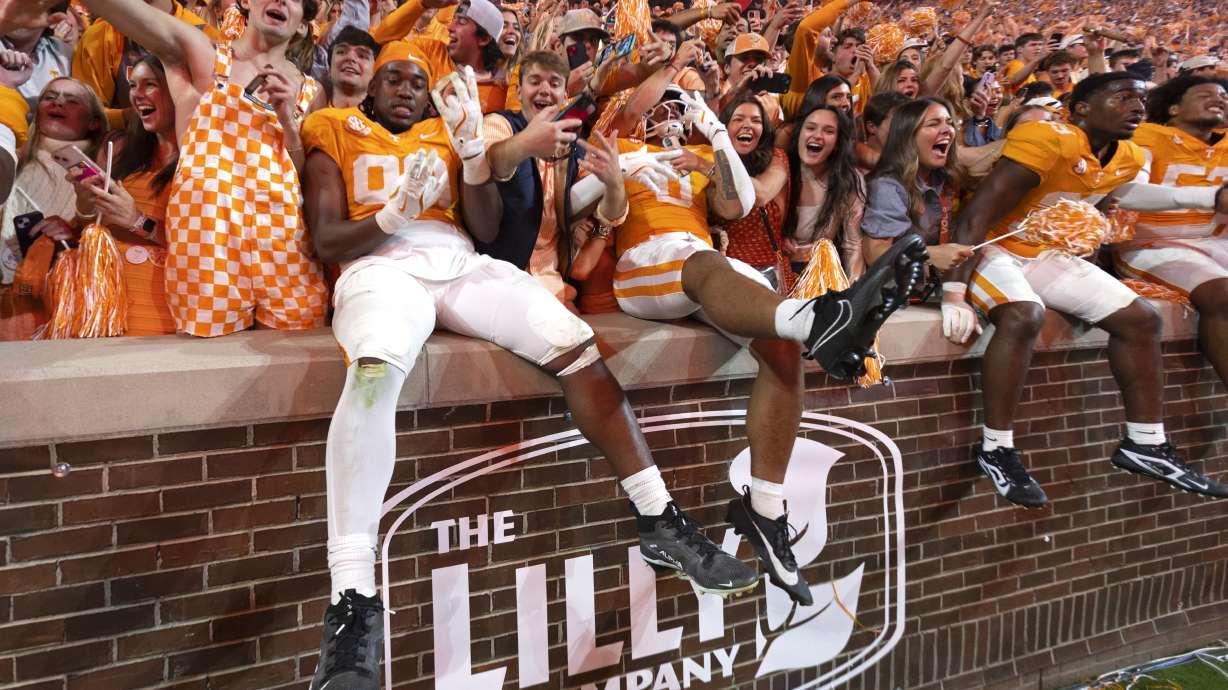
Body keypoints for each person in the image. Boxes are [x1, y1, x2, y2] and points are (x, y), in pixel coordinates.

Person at [299, 47, 757, 689]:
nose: (406, 89)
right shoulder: (333, 129)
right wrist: (393, 216)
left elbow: (485, 230)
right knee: (375, 367)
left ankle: (659, 518)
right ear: (369, 88)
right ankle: (352, 603)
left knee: (574, 339)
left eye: (417, 81)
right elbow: (327, 241)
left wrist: (472, 163)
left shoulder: (443, 128)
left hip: (458, 261)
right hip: (378, 266)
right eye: (392, 78)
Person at [610, 83, 929, 603]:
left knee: (780, 347)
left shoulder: (696, 161)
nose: (667, 114)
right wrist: (620, 172)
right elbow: (582, 203)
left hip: (703, 258)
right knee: (714, 267)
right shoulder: (618, 149)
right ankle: (820, 319)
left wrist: (713, 133)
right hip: (644, 263)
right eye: (657, 106)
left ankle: (765, 509)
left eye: (677, 107)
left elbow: (740, 203)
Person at [944, 72, 1228, 506]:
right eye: (1121, 97)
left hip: (1042, 253)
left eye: (1140, 98)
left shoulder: (1127, 153)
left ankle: (1145, 443)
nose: (1135, 106)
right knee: (1023, 315)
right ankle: (996, 449)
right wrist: (953, 293)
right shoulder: (1048, 137)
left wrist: (1209, 198)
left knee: (1140, 319)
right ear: (1080, 109)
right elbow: (976, 217)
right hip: (994, 246)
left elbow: (1127, 191)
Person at [81, 0, 330, 337]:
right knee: (209, 373)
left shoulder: (312, 92)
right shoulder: (202, 55)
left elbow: (306, 178)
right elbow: (122, 11)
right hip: (209, 247)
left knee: (291, 369)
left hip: (287, 251)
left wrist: (288, 120)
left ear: (303, 24)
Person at [1113, 75, 1228, 387]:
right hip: (1154, 243)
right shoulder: (1149, 137)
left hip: (1216, 242)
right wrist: (1211, 198)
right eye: (1205, 93)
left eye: (1222, 95)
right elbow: (1127, 191)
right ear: (1174, 107)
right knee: (1220, 294)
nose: (1218, 98)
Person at [68, 55, 179, 335]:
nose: (137, 94)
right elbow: (91, 229)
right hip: (102, 307)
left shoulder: (206, 160)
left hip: (161, 313)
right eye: (132, 85)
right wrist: (85, 204)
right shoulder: (118, 148)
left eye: (150, 84)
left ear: (179, 90)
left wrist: (139, 222)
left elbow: (207, 249)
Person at [0, 77, 107, 286]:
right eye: (49, 97)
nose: (57, 102)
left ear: (94, 122)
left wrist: (73, 237)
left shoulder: (103, 175)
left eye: (72, 101)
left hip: (56, 293)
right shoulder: (10, 157)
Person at [861, 98, 974, 272]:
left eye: (949, 123)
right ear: (908, 135)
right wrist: (928, 255)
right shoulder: (888, 187)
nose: (947, 130)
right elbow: (874, 253)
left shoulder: (943, 176)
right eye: (933, 124)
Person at [72, 0, 214, 129]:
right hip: (123, 148)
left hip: (186, 147)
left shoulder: (208, 36)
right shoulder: (99, 36)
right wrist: (132, 115)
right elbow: (85, 114)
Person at [371, 0, 508, 112]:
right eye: (454, 19)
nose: (450, 27)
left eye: (461, 22)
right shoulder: (431, 50)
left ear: (484, 39)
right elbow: (381, 40)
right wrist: (422, 4)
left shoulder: (501, 91)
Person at [719, 89, 792, 290]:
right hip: (725, 271)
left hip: (770, 274)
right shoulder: (712, 159)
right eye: (739, 119)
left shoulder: (777, 158)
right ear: (723, 128)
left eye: (756, 120)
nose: (748, 125)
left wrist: (709, 167)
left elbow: (760, 194)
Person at [781, 103, 865, 278]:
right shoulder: (779, 168)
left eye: (828, 131)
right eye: (810, 128)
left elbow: (853, 245)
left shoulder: (848, 179)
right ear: (799, 135)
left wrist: (854, 295)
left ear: (836, 144)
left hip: (819, 275)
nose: (817, 135)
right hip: (775, 271)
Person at [0, 1, 72, 111]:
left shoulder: (65, 54)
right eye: (15, 8)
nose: (19, 17)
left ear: (54, 18)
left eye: (29, 9)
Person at [325, 25, 378, 107]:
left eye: (361, 55)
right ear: (329, 69)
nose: (350, 58)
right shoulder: (305, 112)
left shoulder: (383, 119)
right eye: (341, 52)